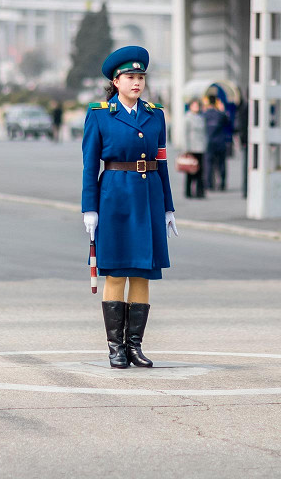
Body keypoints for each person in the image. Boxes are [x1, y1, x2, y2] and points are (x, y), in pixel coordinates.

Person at [82, 45, 178, 369]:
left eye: (140, 77)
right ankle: (115, 348)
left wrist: (168, 207)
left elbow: (161, 163)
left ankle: (134, 346)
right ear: (116, 81)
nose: (137, 83)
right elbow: (88, 165)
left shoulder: (156, 115)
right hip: (114, 197)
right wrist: (89, 208)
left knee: (142, 274)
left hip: (148, 198)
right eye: (130, 77)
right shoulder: (99, 115)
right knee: (116, 272)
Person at [202, 95, 229, 191]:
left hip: (209, 142)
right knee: (221, 164)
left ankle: (209, 184)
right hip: (221, 142)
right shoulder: (220, 114)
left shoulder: (204, 114)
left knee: (208, 164)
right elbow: (228, 123)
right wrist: (222, 110)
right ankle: (222, 184)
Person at [183, 99, 206, 199]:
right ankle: (188, 192)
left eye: (198, 105)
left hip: (200, 148)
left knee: (200, 171)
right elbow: (185, 134)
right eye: (194, 105)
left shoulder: (201, 117)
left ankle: (200, 191)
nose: (196, 107)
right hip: (191, 147)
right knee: (190, 171)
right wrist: (186, 149)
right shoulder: (187, 118)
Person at [236, 95, 248, 198]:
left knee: (247, 166)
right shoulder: (250, 107)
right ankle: (247, 190)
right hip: (249, 141)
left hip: (247, 141)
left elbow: (241, 126)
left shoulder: (244, 108)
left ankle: (246, 190)